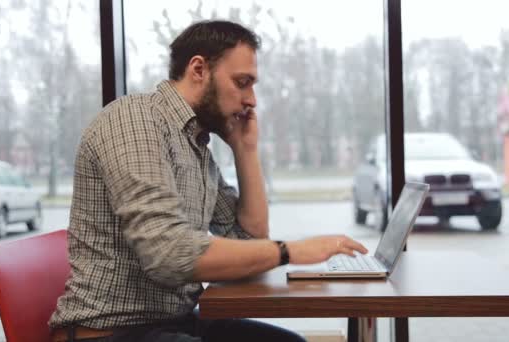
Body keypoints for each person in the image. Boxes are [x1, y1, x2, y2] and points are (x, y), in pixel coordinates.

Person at [49, 20, 367, 342]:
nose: (252, 100)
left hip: (176, 323)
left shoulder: (196, 146)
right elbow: (169, 254)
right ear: (198, 69)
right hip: (109, 333)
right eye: (242, 82)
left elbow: (249, 242)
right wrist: (291, 251)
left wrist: (246, 150)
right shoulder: (135, 120)